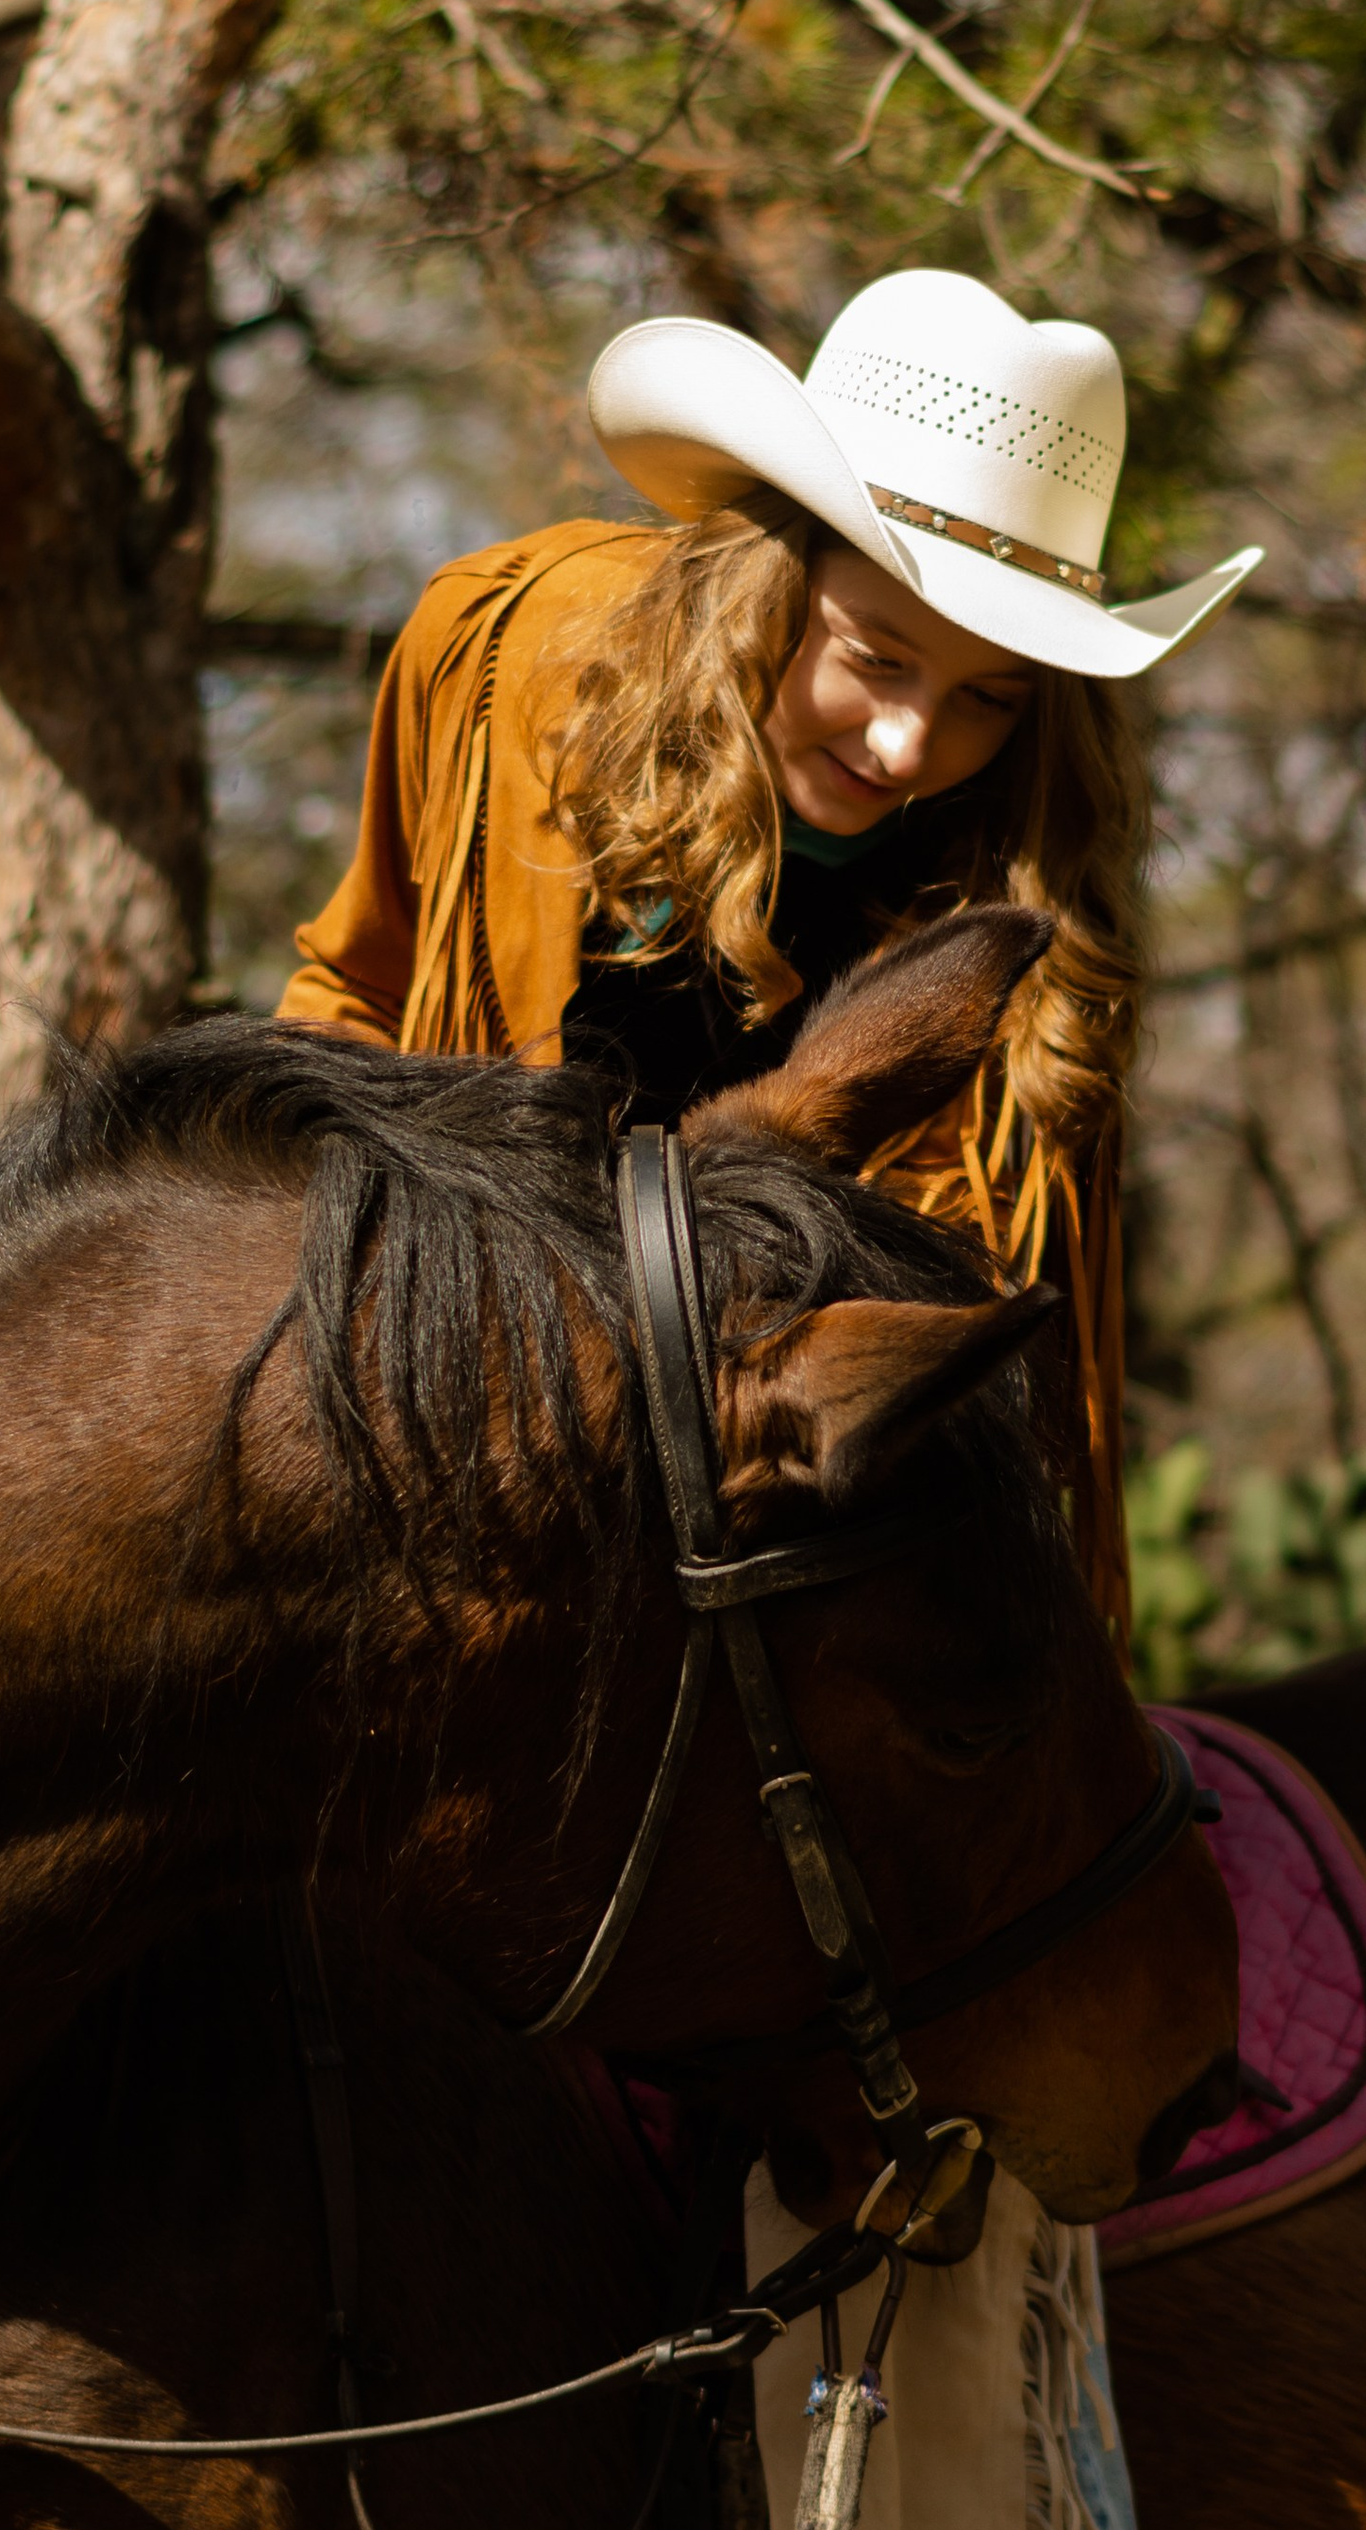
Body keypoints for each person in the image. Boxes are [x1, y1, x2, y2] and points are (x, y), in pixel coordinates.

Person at [278, 266, 1258, 1640]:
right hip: (442, 1383)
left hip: (765, 1482)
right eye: (877, 655)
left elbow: (978, 1328)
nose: (912, 745)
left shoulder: (1024, 880)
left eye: (988, 699)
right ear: (775, 573)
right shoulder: (509, 657)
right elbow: (361, 989)